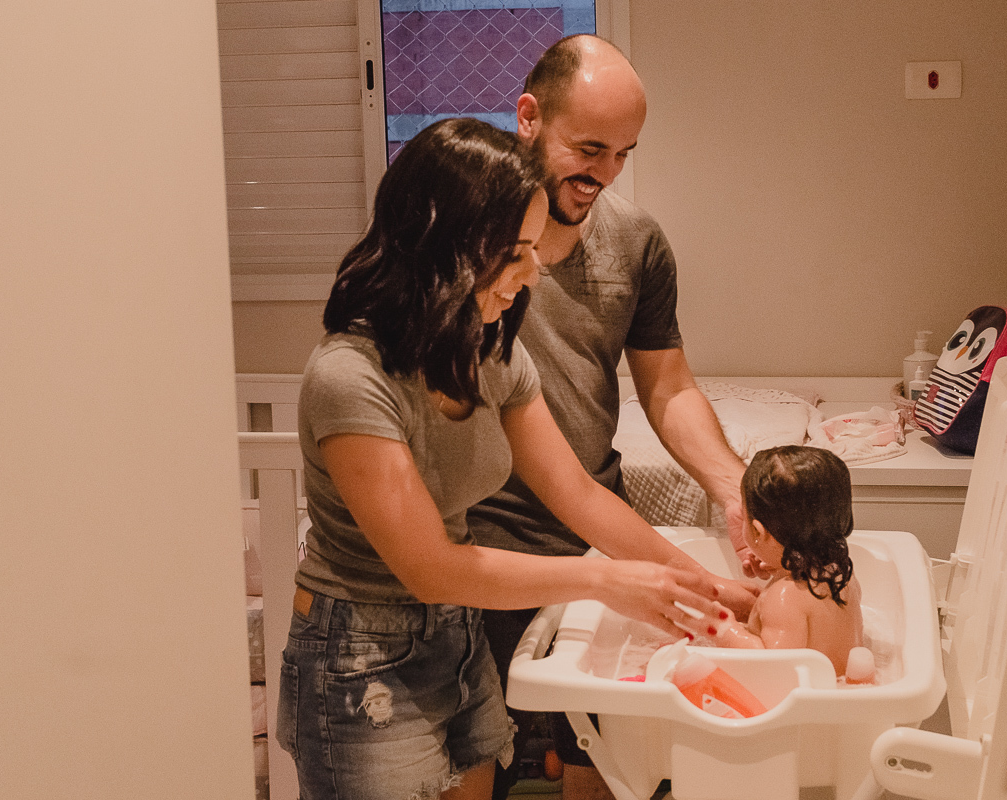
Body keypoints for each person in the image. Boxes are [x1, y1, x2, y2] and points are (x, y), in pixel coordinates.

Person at [276, 117, 753, 800]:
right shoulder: (350, 377)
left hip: (455, 637)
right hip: (359, 656)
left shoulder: (488, 349)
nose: (534, 272)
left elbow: (577, 494)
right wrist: (602, 583)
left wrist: (702, 589)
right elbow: (429, 567)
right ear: (445, 242)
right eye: (517, 251)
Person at [466, 35, 760, 800]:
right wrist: (692, 581)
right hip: (481, 541)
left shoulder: (637, 242)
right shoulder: (467, 245)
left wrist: (734, 489)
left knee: (612, 762)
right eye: (589, 148)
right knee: (472, 769)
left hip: (595, 526)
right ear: (528, 117)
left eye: (624, 153)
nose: (604, 174)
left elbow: (667, 386)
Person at [706, 445, 864, 676]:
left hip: (801, 705)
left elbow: (773, 665)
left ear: (757, 532)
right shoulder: (842, 575)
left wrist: (724, 628)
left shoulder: (782, 599)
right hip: (839, 690)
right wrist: (780, 565)